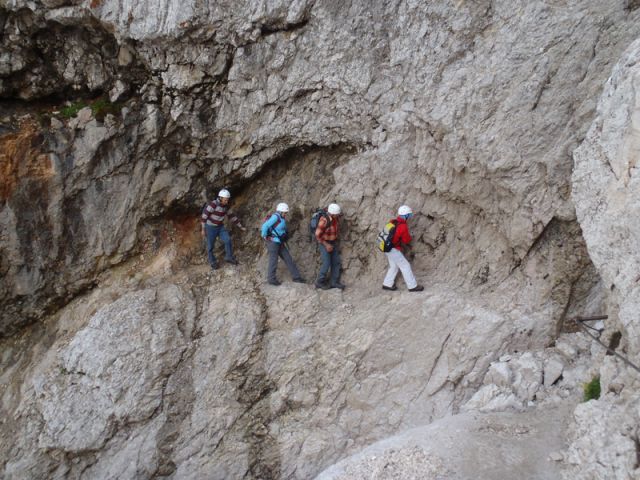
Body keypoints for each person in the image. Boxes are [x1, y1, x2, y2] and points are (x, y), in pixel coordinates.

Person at [201, 188, 246, 270]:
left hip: (220, 227)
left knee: (227, 240)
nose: (227, 202)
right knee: (210, 246)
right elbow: (204, 217)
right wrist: (203, 229)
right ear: (220, 198)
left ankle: (229, 257)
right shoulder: (213, 205)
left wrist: (240, 226)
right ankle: (212, 262)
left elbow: (231, 216)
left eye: (227, 200)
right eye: (225, 200)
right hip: (210, 227)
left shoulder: (225, 206)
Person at [261, 203, 305, 286]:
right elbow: (265, 226)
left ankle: (297, 277)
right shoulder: (275, 217)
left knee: (288, 258)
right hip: (273, 242)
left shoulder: (281, 218)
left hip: (279, 242)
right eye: (284, 212)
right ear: (280, 211)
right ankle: (271, 279)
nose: (285, 214)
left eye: (286, 213)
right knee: (273, 260)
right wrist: (264, 236)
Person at [382, 205, 424, 292]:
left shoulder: (393, 221)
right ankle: (412, 286)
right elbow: (406, 240)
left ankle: (387, 284)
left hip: (386, 247)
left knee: (394, 266)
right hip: (393, 249)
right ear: (406, 215)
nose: (410, 216)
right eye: (409, 214)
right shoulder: (403, 226)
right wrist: (410, 236)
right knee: (405, 266)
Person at [314, 203, 345, 290]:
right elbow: (317, 235)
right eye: (336, 214)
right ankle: (319, 282)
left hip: (333, 242)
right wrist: (326, 245)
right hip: (324, 242)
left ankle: (334, 282)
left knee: (336, 262)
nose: (338, 215)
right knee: (326, 263)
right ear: (332, 213)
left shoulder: (336, 218)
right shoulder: (324, 220)